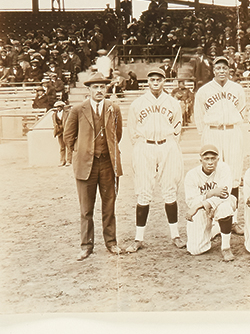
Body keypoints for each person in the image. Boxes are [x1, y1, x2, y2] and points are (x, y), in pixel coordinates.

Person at [124, 66, 185, 253]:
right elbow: (132, 129)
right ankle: (138, 238)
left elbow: (177, 127)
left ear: (164, 81)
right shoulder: (138, 103)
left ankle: (175, 234)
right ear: (147, 82)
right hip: (145, 146)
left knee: (170, 190)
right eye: (152, 79)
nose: (155, 82)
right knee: (143, 191)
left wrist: (169, 144)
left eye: (159, 79)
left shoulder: (173, 102)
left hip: (167, 145)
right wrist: (141, 146)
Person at [63, 74, 123, 260]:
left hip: (107, 164)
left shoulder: (113, 108)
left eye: (102, 87)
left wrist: (107, 153)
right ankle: (86, 245)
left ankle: (111, 243)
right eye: (95, 87)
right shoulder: (78, 109)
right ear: (88, 90)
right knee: (86, 209)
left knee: (109, 206)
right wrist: (82, 152)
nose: (99, 91)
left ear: (106, 89)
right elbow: (68, 136)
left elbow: (117, 135)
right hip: (86, 165)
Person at [194, 56, 247, 202]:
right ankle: (215, 214)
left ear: (229, 70)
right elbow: (198, 115)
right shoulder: (204, 90)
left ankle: (233, 218)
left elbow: (241, 111)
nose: (221, 71)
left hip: (232, 131)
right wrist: (203, 135)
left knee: (234, 172)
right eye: (218, 68)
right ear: (213, 70)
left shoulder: (237, 89)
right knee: (213, 171)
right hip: (212, 131)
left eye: (224, 68)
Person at [183, 144, 237, 261]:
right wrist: (210, 193)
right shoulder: (192, 175)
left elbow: (225, 195)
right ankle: (215, 229)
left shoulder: (224, 169)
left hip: (218, 204)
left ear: (218, 159)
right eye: (206, 158)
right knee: (195, 250)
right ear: (200, 160)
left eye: (213, 158)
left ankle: (225, 247)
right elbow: (190, 201)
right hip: (201, 209)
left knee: (225, 207)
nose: (210, 162)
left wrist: (202, 203)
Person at [52, 100, 70, 166]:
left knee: (68, 146)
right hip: (59, 131)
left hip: (66, 131)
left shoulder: (67, 113)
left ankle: (69, 160)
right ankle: (62, 160)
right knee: (62, 147)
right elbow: (55, 123)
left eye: (60, 107)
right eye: (57, 107)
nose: (58, 108)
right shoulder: (54, 115)